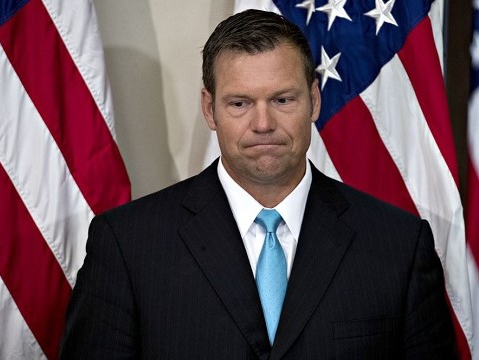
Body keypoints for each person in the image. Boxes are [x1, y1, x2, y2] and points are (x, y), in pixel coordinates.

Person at [60, 9, 456, 359]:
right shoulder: (127, 245)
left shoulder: (399, 246)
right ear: (209, 109)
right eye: (239, 103)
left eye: (283, 100)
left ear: (314, 102)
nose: (263, 124)